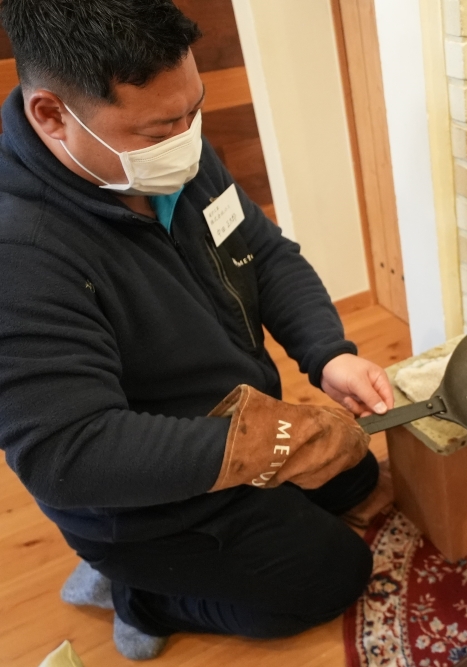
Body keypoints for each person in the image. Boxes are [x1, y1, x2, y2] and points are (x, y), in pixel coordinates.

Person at [0, 0, 395, 660]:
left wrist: (329, 354)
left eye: (193, 112)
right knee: (333, 575)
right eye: (159, 129)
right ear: (51, 115)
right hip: (144, 502)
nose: (186, 140)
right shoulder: (23, 253)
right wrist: (263, 448)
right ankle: (137, 591)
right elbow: (70, 457)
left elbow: (264, 253)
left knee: (357, 475)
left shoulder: (171, 156)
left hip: (238, 421)